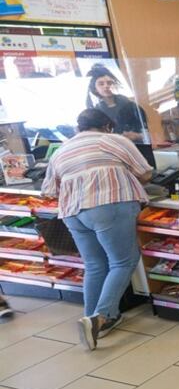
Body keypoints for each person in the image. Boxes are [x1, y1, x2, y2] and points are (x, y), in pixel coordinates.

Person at [42, 109, 152, 351]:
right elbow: (145, 172)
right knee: (123, 261)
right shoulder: (112, 140)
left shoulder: (62, 150)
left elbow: (50, 189)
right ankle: (100, 317)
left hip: (72, 212)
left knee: (95, 265)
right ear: (106, 125)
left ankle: (89, 318)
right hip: (107, 205)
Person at [86, 64, 149, 142]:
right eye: (101, 84)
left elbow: (148, 132)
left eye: (109, 83)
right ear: (95, 89)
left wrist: (138, 136)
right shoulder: (96, 113)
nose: (106, 86)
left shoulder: (130, 105)